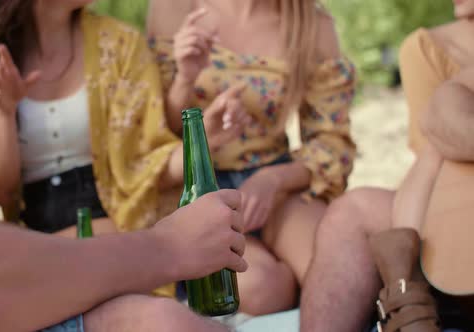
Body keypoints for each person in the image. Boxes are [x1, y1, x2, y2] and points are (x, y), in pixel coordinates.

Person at [0, 113, 248, 331]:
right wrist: (169, 246)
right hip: (7, 259)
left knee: (161, 321)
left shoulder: (116, 42)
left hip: (80, 235)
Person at [0, 0, 246, 243]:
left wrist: (202, 139)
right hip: (26, 236)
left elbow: (146, 165)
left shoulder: (122, 46)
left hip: (113, 226)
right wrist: (4, 111)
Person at [148, 0, 356, 315]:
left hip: (277, 182)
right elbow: (156, 134)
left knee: (337, 271)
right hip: (196, 188)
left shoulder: (312, 23)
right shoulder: (173, 9)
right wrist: (184, 79)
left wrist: (273, 181)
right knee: (261, 287)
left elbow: (332, 142)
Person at [300, 1, 474, 330]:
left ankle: (406, 294)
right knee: (353, 212)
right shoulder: (430, 49)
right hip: (445, 212)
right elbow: (440, 120)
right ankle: (406, 291)